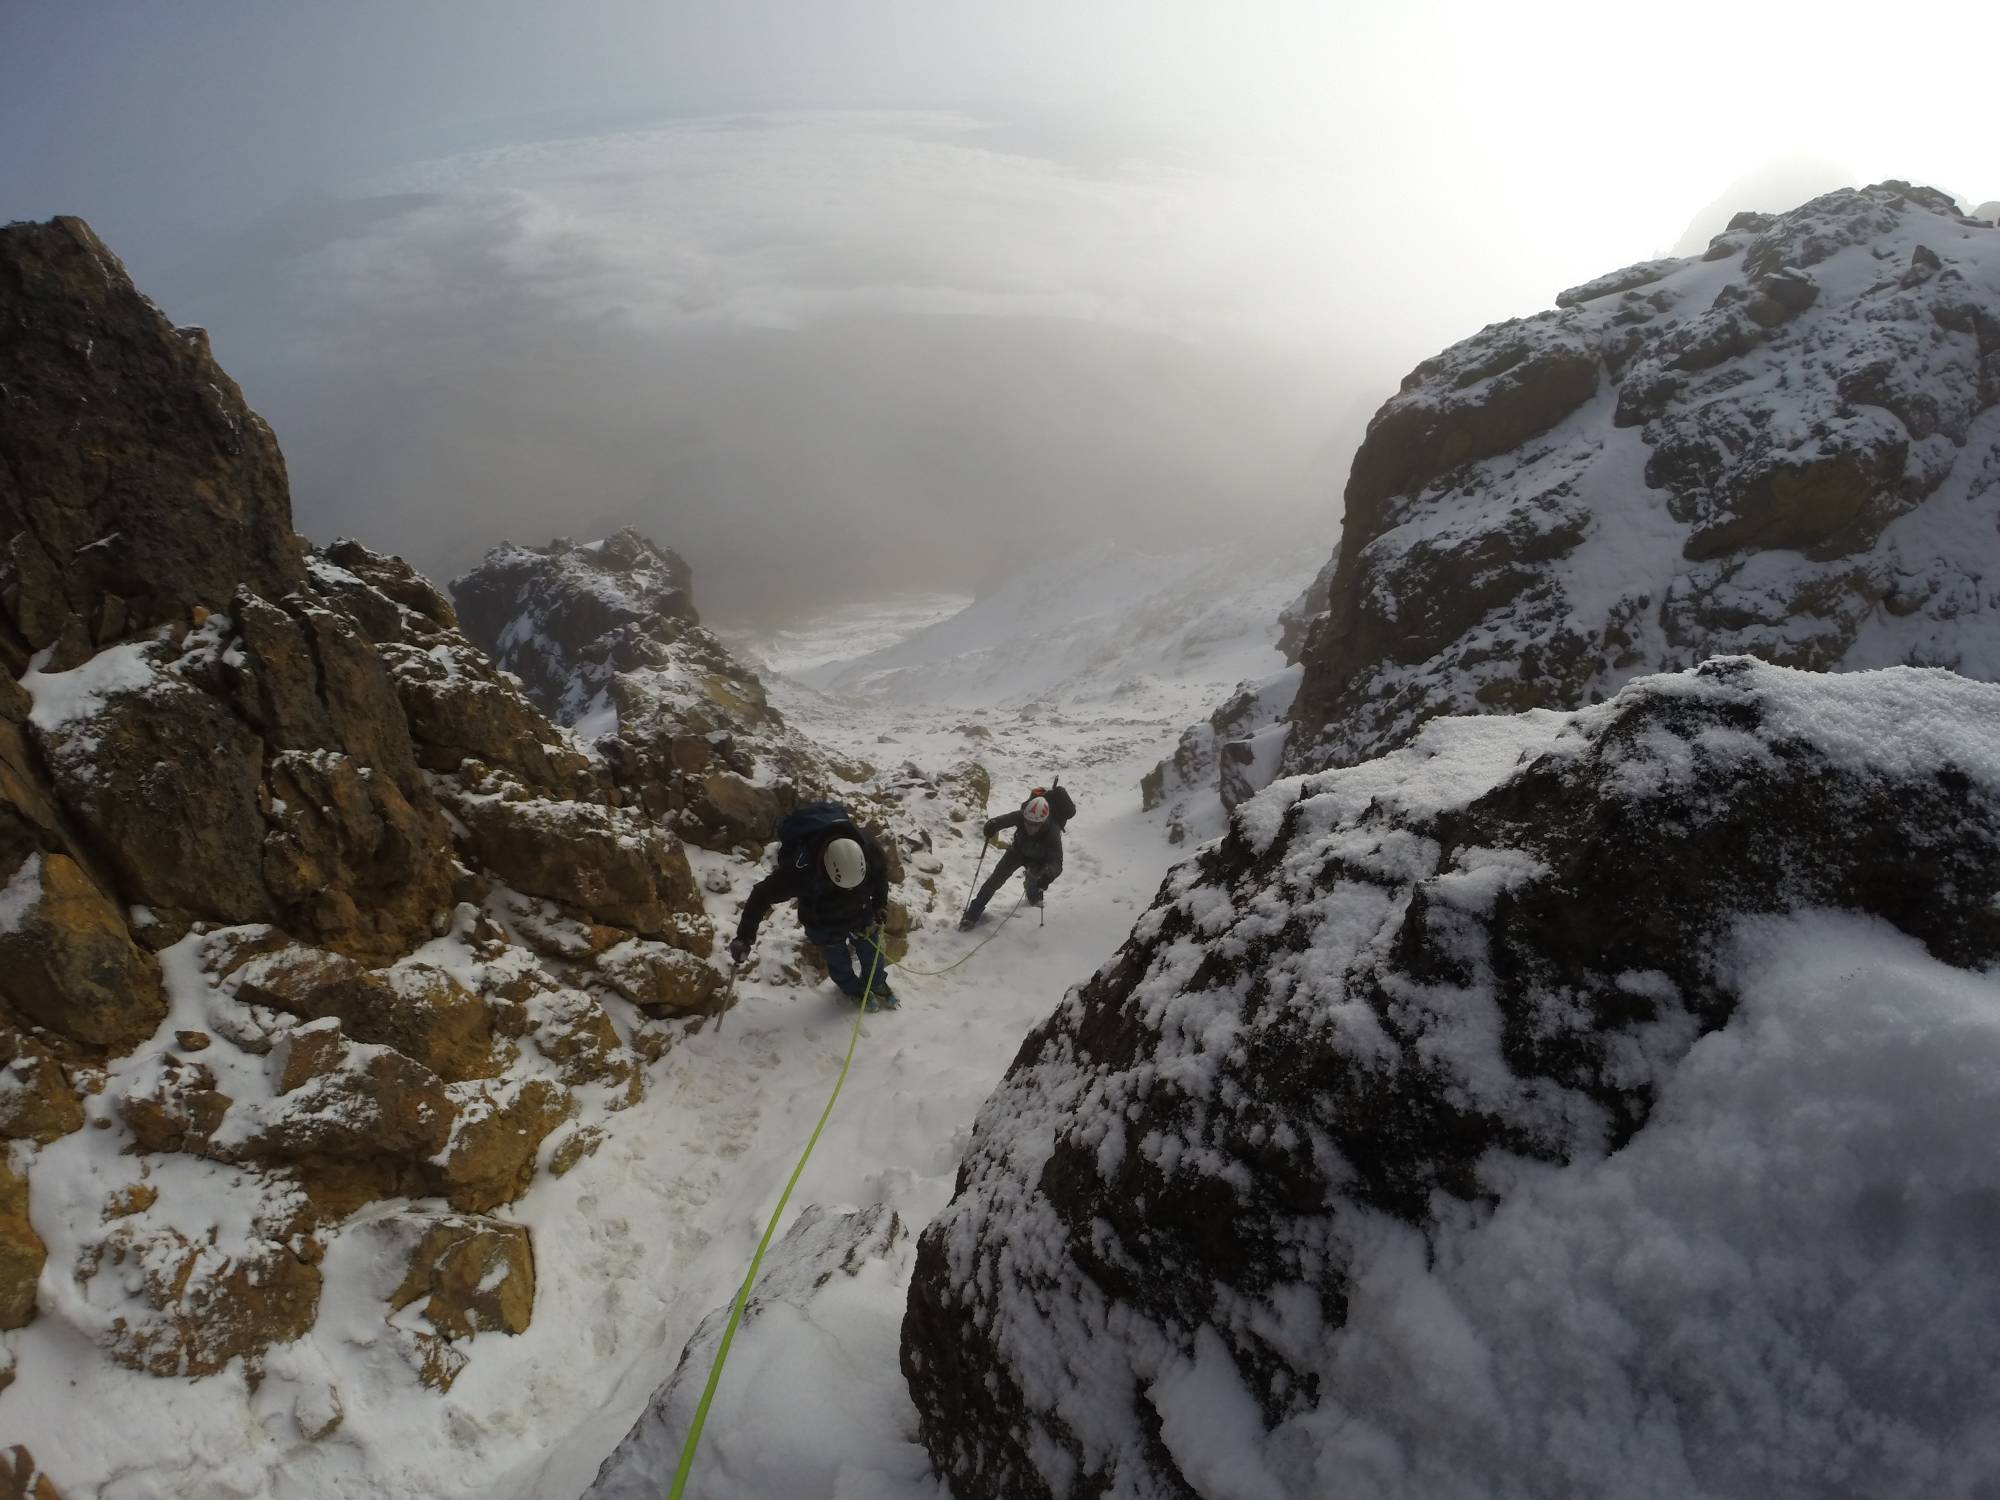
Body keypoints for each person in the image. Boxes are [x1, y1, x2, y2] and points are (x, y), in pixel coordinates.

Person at [730, 803, 898, 1007]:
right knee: (838, 960)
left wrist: (880, 904)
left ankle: (877, 982)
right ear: (827, 867)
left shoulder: (868, 848)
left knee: (872, 952)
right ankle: (852, 989)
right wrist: (744, 937)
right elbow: (761, 895)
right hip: (823, 921)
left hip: (861, 910)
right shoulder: (800, 871)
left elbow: (880, 875)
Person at [959, 784, 1076, 929]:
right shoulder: (1023, 815)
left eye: (1035, 824)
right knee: (995, 880)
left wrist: (1048, 875)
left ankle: (1032, 894)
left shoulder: (1052, 832)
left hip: (1038, 860)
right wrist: (992, 825)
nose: (1029, 826)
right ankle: (972, 914)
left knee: (1035, 880)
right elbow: (1004, 820)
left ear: (1043, 821)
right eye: (1027, 822)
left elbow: (1056, 862)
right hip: (1017, 851)